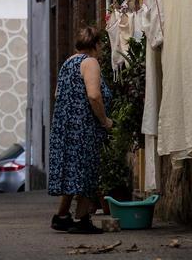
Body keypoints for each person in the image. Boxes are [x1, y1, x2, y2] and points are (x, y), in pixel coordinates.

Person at [47, 25, 113, 234]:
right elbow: (93, 95)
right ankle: (82, 219)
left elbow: (58, 94)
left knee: (72, 172)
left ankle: (61, 216)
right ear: (96, 44)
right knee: (86, 172)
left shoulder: (68, 63)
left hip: (66, 127)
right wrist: (104, 120)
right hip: (84, 128)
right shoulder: (90, 62)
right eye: (101, 44)